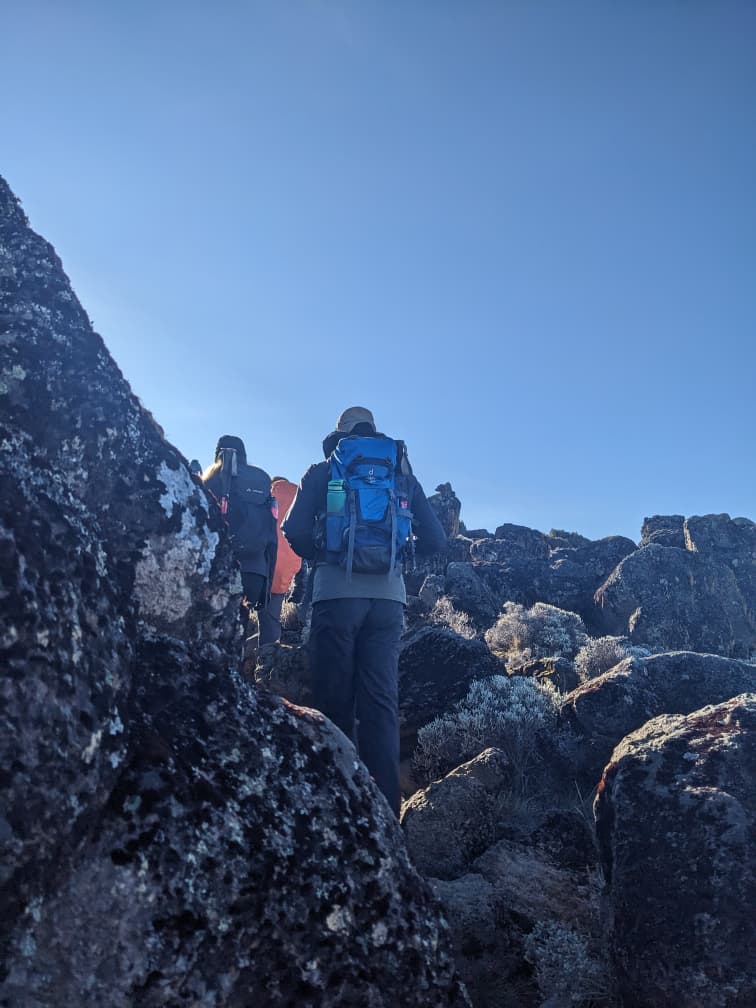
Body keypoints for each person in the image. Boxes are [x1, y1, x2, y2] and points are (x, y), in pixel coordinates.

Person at [282, 406, 446, 815]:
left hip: (336, 596)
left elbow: (294, 530)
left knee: (332, 705)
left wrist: (325, 556)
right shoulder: (399, 471)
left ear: (339, 435)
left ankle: (337, 811)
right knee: (380, 705)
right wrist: (396, 560)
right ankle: (386, 815)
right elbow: (437, 539)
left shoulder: (323, 471)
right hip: (389, 601)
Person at [202, 436, 278, 636]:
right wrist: (266, 587)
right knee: (240, 632)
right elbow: (272, 537)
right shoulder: (262, 480)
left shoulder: (209, 480)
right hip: (255, 573)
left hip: (219, 572)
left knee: (214, 634)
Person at [258, 476, 303, 648]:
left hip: (263, 562)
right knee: (271, 618)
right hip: (288, 566)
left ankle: (245, 663)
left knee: (252, 616)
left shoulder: (270, 493)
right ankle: (266, 662)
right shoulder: (298, 496)